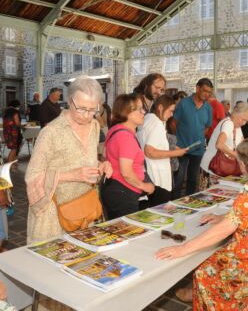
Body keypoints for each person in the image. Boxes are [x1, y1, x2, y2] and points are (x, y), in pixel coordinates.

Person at [156, 138, 248, 310]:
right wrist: (223, 218)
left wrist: (182, 249)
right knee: (213, 257)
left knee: (203, 270)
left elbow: (224, 230)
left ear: (242, 164)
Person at [25, 76, 113, 244]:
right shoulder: (51, 132)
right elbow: (32, 176)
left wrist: (101, 165)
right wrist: (72, 175)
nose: (87, 116)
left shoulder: (94, 126)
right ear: (68, 100)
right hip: (53, 216)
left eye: (92, 110)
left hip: (83, 210)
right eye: (81, 108)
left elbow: (86, 159)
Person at [100, 93, 155, 219]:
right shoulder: (125, 136)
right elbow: (126, 173)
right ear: (126, 112)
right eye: (139, 109)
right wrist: (145, 186)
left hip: (114, 188)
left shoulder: (115, 130)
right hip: (124, 192)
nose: (143, 113)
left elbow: (105, 157)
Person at [137, 95, 188, 206]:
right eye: (170, 111)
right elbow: (150, 151)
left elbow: (155, 145)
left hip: (150, 175)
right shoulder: (156, 123)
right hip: (157, 178)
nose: (171, 115)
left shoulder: (148, 120)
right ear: (160, 107)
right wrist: (176, 153)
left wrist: (172, 148)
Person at [172, 78, 213, 199]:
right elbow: (174, 123)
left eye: (209, 92)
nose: (207, 94)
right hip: (181, 148)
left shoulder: (208, 108)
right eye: (205, 91)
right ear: (197, 88)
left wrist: (199, 137)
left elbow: (207, 127)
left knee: (193, 180)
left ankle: (189, 204)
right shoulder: (184, 103)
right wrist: (178, 139)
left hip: (198, 150)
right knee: (178, 180)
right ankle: (174, 204)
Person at [200, 102, 248, 174]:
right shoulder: (228, 124)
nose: (244, 123)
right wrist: (236, 155)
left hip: (221, 167)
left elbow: (242, 145)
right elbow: (219, 144)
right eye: (243, 119)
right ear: (235, 114)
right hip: (211, 167)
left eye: (246, 121)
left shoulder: (237, 127)